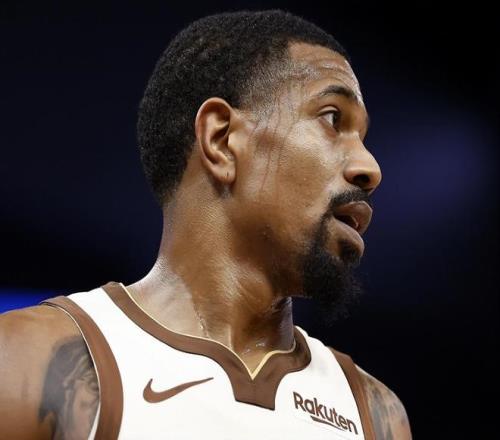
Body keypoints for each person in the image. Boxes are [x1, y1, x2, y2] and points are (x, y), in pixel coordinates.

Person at [0, 10, 412, 439]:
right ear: (221, 140)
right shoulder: (30, 361)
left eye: (363, 137)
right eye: (332, 119)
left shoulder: (375, 415)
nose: (370, 167)